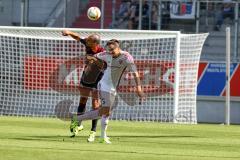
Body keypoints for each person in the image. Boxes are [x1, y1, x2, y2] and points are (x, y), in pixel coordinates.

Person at [70, 39, 145, 144]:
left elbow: (135, 73)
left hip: (113, 87)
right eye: (109, 50)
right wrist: (92, 61)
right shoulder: (105, 54)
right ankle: (100, 135)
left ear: (118, 48)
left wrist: (139, 88)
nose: (111, 52)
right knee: (105, 110)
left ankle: (88, 126)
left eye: (113, 50)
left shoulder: (127, 57)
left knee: (105, 112)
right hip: (104, 85)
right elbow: (92, 57)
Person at [62, 30, 105, 142]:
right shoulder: (87, 43)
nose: (87, 41)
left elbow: (105, 66)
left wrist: (94, 60)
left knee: (96, 104)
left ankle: (93, 132)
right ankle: (78, 124)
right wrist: (69, 32)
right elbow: (78, 37)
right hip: (86, 77)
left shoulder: (103, 52)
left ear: (96, 44)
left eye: (90, 41)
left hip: (98, 79)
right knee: (83, 100)